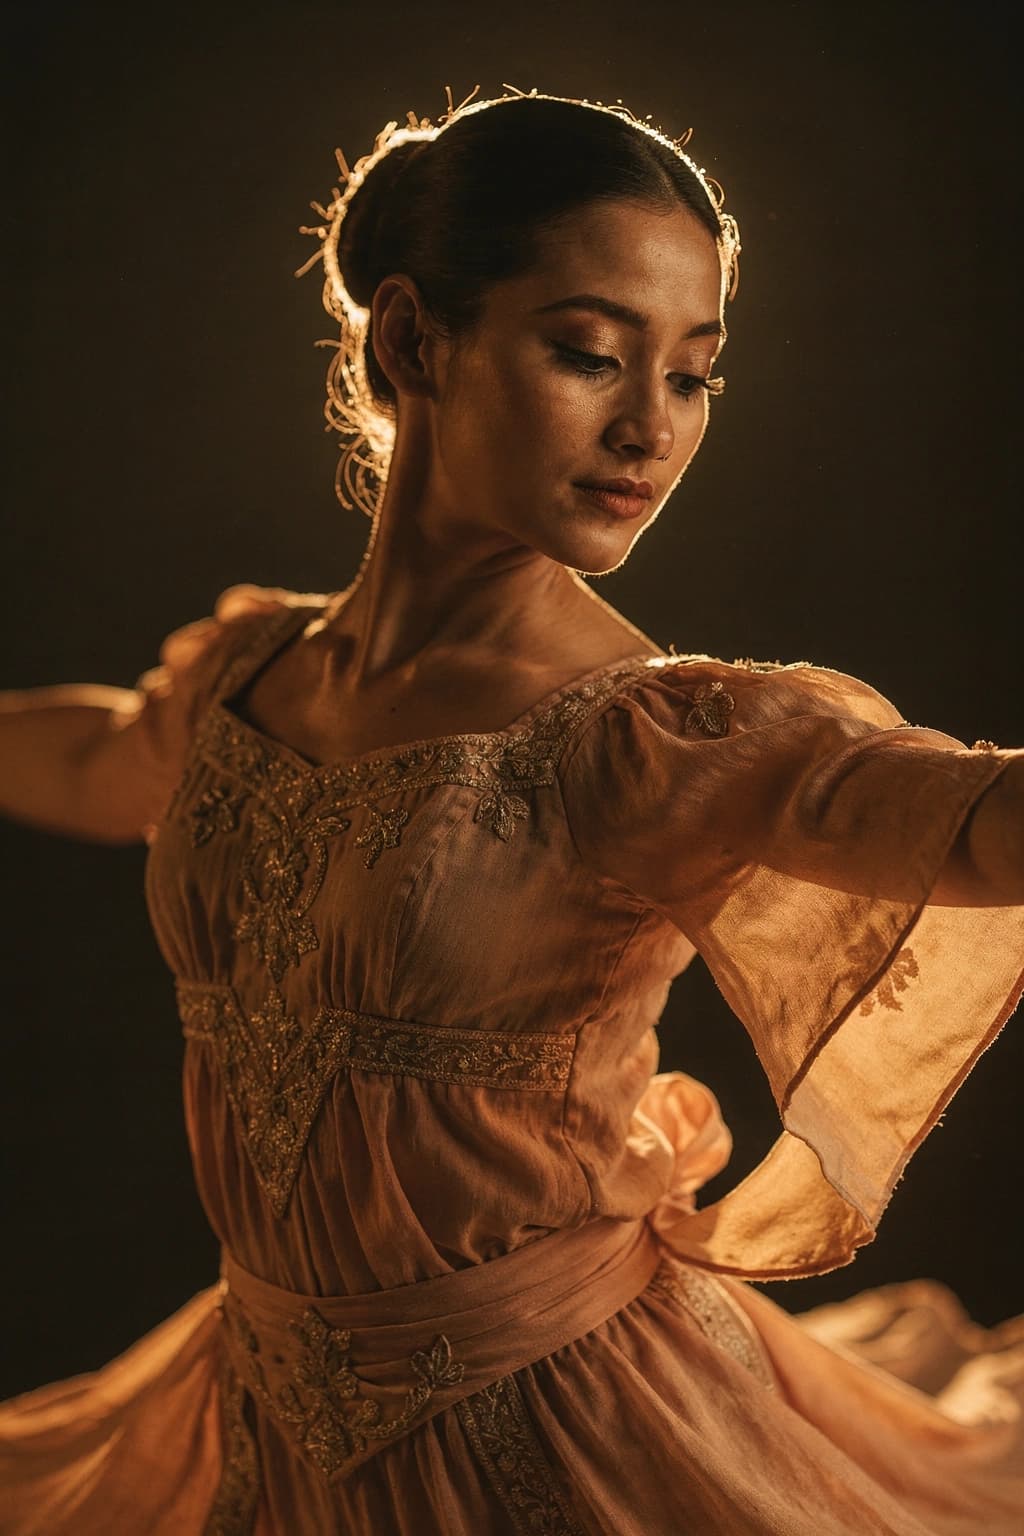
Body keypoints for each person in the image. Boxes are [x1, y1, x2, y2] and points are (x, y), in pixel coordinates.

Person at [0, 83, 1021, 1536]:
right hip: (263, 1426)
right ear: (416, 339)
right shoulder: (245, 683)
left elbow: (971, 824)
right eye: (591, 354)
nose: (647, 430)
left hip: (570, 1439)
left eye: (693, 376)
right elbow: (96, 755)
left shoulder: (651, 736)